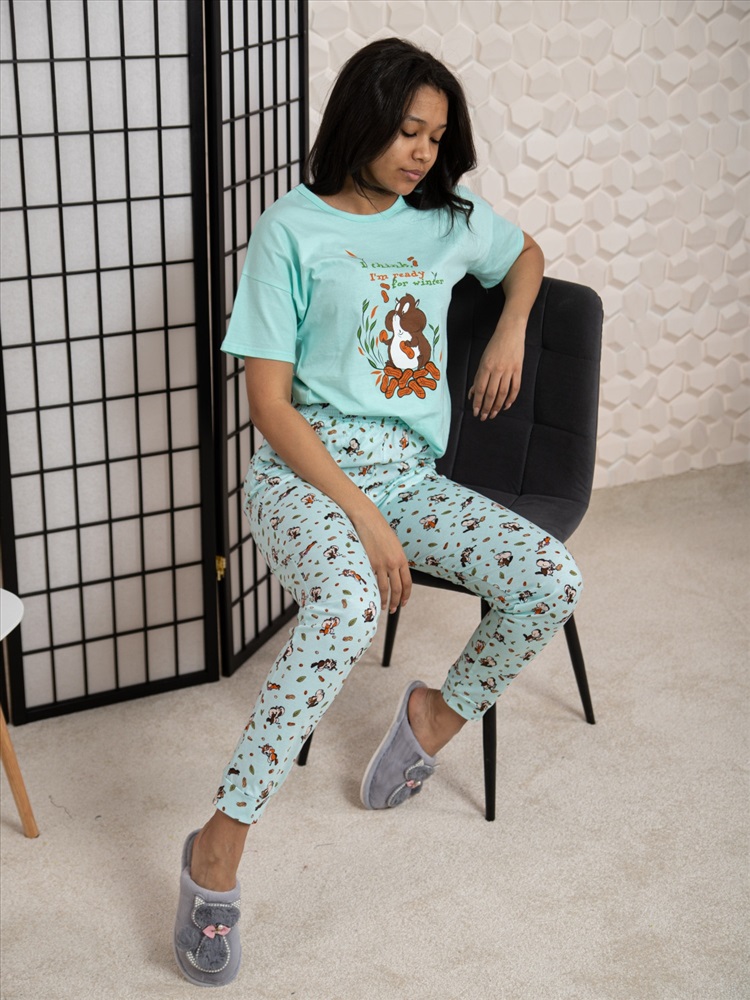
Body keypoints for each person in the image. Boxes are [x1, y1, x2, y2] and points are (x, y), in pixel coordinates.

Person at [173, 37, 581, 987]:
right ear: (362, 120)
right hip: (305, 475)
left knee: (550, 579)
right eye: (407, 131)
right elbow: (269, 406)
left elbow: (525, 254)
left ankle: (431, 719)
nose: (422, 153)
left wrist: (512, 326)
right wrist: (360, 514)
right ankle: (218, 846)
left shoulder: (447, 220)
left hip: (408, 475)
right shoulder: (291, 229)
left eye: (436, 137)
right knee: (349, 607)